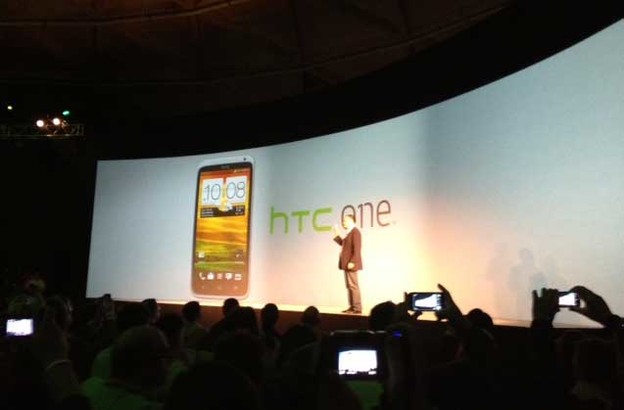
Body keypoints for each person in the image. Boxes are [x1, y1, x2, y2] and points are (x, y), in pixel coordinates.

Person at [332, 213, 363, 314]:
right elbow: (343, 244)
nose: (343, 223)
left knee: (353, 285)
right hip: (347, 264)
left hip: (351, 263)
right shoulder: (349, 233)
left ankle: (357, 307)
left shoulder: (355, 232)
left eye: (345, 221)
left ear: (351, 220)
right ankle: (352, 306)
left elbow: (357, 249)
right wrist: (336, 233)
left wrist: (353, 261)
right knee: (349, 286)